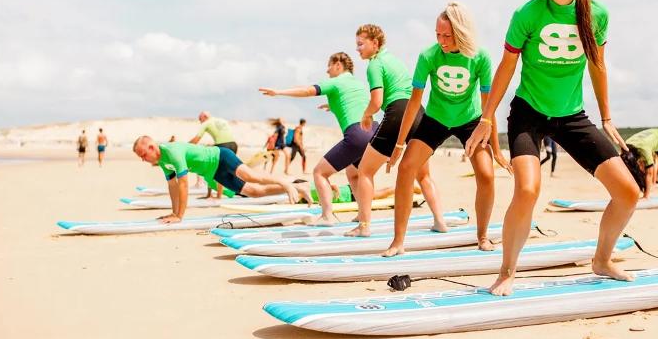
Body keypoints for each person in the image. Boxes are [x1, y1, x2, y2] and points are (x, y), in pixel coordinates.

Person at [465, 0, 640, 296]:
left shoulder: (595, 15)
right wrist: (487, 117)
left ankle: (603, 260)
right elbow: (506, 66)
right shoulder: (528, 14)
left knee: (628, 192)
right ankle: (507, 272)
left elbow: (597, 65)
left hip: (571, 116)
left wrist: (606, 116)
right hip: (528, 114)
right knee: (527, 189)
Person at [384, 2, 505, 256]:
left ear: (461, 32)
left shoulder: (479, 57)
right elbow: (414, 101)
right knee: (406, 168)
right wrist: (399, 144)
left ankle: (483, 236)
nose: (441, 40)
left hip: (470, 121)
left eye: (447, 35)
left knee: (486, 174)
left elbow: (488, 106)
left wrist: (497, 149)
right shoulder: (428, 56)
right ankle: (398, 241)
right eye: (438, 34)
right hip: (436, 119)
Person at [344, 24, 447, 237]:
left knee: (364, 170)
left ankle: (363, 226)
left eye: (361, 44)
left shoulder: (375, 64)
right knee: (423, 174)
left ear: (375, 43)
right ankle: (440, 221)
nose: (358, 49)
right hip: (418, 111)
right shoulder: (394, 60)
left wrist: (366, 115)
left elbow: (377, 100)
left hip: (399, 111)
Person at [260, 52, 375, 225]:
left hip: (356, 134)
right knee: (353, 173)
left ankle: (327, 216)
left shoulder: (336, 81)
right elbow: (355, 103)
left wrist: (278, 92)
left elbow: (307, 91)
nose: (327, 71)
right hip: (374, 132)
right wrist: (333, 105)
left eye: (329, 65)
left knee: (320, 172)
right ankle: (362, 215)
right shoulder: (357, 84)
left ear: (338, 65)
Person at [132, 137, 311, 223]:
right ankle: (301, 187)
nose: (143, 159)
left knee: (251, 176)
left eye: (143, 154)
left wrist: (179, 216)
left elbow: (183, 185)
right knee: (254, 192)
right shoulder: (162, 161)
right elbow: (172, 186)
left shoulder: (173, 152)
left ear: (151, 147)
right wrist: (173, 212)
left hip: (221, 157)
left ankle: (286, 182)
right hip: (214, 172)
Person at [189, 112, 239, 198]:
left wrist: (186, 146)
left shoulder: (206, 123)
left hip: (223, 145)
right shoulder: (221, 120)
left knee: (215, 169)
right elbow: (224, 135)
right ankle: (237, 190)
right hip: (233, 144)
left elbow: (197, 138)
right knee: (230, 170)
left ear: (204, 117)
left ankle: (217, 196)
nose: (200, 121)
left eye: (200, 119)